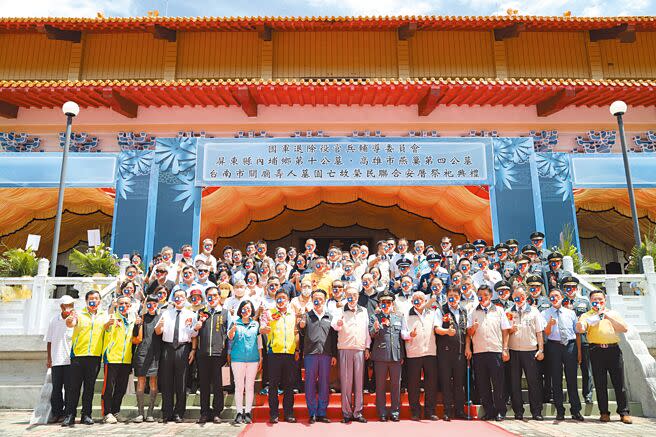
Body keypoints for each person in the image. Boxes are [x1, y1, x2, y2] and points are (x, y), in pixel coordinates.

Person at [576, 290, 632, 424]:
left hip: (613, 350)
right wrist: (580, 325)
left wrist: (607, 317)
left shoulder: (612, 313)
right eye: (594, 300)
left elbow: (624, 328)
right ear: (590, 301)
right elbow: (581, 328)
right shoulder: (586, 315)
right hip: (596, 350)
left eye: (600, 300)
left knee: (619, 383)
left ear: (604, 300)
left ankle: (624, 412)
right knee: (600, 383)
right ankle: (604, 412)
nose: (598, 302)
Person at [465, 284, 510, 421]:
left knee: (498, 383)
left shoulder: (499, 310)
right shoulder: (473, 312)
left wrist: (505, 349)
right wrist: (474, 328)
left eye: (486, 295)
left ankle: (500, 411)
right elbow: (468, 333)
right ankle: (489, 411)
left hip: (495, 351)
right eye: (480, 295)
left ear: (490, 296)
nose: (483, 298)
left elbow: (505, 331)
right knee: (483, 384)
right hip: (479, 352)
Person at [62, 290, 107, 427]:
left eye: (96, 298)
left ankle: (86, 415)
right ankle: (70, 415)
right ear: (86, 301)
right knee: (74, 387)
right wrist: (69, 320)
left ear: (100, 301)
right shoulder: (79, 314)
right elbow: (71, 323)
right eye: (91, 299)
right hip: (78, 355)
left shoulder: (103, 315)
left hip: (94, 356)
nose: (94, 301)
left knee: (90, 387)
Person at [155, 289, 199, 423]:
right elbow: (157, 332)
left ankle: (179, 412)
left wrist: (193, 350)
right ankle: (167, 412)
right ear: (173, 299)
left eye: (181, 296)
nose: (179, 299)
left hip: (183, 348)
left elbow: (194, 335)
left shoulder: (191, 314)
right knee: (166, 381)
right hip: (168, 348)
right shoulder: (166, 313)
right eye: (176, 297)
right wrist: (159, 327)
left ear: (186, 299)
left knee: (182, 382)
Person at [542, 288, 584, 421]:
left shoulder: (570, 313)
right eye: (551, 297)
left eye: (556, 296)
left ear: (561, 297)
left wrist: (578, 352)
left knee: (571, 379)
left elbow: (577, 333)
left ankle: (576, 410)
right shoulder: (545, 313)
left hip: (570, 346)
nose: (554, 298)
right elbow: (546, 333)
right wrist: (550, 323)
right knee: (556, 379)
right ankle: (560, 410)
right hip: (553, 346)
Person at [370, 290, 410, 422]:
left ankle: (395, 411)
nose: (386, 305)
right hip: (380, 356)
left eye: (388, 302)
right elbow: (371, 335)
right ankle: (381, 412)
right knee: (380, 386)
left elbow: (402, 336)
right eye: (383, 302)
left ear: (392, 304)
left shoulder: (399, 317)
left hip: (396, 355)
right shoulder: (374, 317)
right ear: (379, 304)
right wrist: (376, 328)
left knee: (395, 386)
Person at [331, 286, 370, 423]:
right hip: (345, 348)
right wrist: (338, 323)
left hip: (359, 348)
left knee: (359, 382)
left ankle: (358, 412)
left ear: (358, 297)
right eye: (349, 295)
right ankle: (346, 413)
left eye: (354, 295)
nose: (352, 297)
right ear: (345, 296)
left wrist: (367, 347)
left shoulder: (364, 311)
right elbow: (334, 325)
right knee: (346, 382)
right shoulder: (340, 310)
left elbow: (366, 330)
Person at [260, 289, 299, 424]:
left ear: (288, 300)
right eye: (279, 298)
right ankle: (274, 414)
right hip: (274, 353)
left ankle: (289, 413)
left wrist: (297, 349)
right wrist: (265, 328)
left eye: (283, 298)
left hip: (289, 353)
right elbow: (262, 328)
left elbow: (296, 332)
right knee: (273, 385)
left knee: (289, 385)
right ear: (275, 300)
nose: (281, 300)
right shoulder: (269, 313)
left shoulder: (292, 314)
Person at [298, 289, 337, 423]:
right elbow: (301, 331)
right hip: (310, 354)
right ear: (312, 299)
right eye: (315, 298)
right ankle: (312, 412)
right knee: (310, 383)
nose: (318, 301)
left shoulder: (330, 317)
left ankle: (322, 412)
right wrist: (301, 325)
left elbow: (334, 337)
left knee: (324, 383)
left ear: (325, 300)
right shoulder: (306, 316)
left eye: (320, 298)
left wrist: (334, 355)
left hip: (326, 354)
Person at [506, 286, 545, 421]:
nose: (519, 300)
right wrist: (511, 330)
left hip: (530, 351)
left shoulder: (534, 312)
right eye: (516, 297)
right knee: (514, 383)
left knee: (533, 382)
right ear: (512, 298)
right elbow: (505, 332)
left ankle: (536, 411)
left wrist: (541, 349)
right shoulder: (509, 312)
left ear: (526, 297)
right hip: (514, 351)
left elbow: (539, 332)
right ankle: (518, 411)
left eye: (522, 297)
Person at [194, 286, 229, 424]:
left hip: (218, 354)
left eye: (215, 295)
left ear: (219, 297)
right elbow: (194, 334)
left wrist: (228, 353)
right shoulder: (201, 312)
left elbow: (229, 334)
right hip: (203, 354)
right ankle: (204, 413)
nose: (212, 298)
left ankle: (217, 412)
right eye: (209, 295)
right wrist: (196, 327)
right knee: (204, 385)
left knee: (218, 385)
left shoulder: (225, 313)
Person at [101, 295, 138, 424]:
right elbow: (105, 329)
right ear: (117, 304)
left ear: (130, 306)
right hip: (111, 359)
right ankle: (107, 413)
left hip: (126, 360)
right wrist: (107, 324)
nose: (124, 306)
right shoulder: (112, 317)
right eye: (121, 303)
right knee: (108, 388)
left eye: (127, 304)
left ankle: (116, 411)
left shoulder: (132, 320)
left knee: (121, 388)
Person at [404, 291, 438, 421]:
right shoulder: (406, 314)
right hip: (414, 353)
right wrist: (409, 335)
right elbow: (403, 332)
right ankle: (415, 411)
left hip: (430, 352)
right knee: (413, 384)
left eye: (421, 299)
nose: (418, 301)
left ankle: (430, 411)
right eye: (415, 299)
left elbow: (437, 328)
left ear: (425, 301)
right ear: (412, 301)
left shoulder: (432, 313)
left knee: (431, 383)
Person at [435, 287, 468, 421]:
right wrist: (446, 332)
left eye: (455, 295)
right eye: (450, 295)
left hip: (460, 352)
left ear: (460, 296)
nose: (453, 297)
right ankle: (447, 411)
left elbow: (466, 331)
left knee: (459, 383)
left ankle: (460, 410)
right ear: (447, 296)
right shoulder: (441, 310)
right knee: (446, 383)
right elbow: (437, 329)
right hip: (445, 353)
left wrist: (468, 348)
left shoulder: (464, 310)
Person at [561, 276, 594, 404]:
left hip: (584, 339)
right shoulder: (560, 302)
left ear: (577, 288)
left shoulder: (584, 302)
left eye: (572, 287)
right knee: (570, 370)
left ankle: (588, 394)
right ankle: (572, 396)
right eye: (567, 288)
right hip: (568, 341)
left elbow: (591, 318)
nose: (570, 290)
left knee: (586, 368)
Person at [229, 300, 263, 424]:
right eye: (244, 308)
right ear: (240, 310)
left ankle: (248, 412)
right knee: (239, 387)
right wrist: (232, 329)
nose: (246, 311)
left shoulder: (255, 324)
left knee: (250, 386)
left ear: (252, 310)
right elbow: (230, 337)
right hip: (237, 359)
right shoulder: (235, 322)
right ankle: (239, 412)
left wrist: (261, 357)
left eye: (248, 309)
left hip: (253, 359)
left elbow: (259, 342)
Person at [132, 294, 162, 423]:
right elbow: (134, 337)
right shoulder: (141, 318)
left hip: (155, 354)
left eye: (154, 304)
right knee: (141, 381)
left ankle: (150, 412)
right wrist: (136, 324)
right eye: (149, 303)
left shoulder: (161, 318)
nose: (152, 306)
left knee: (153, 382)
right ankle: (140, 413)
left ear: (158, 304)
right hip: (142, 353)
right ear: (145, 304)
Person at [45, 295, 74, 424]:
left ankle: (68, 413)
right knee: (56, 388)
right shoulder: (54, 320)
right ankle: (57, 412)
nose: (68, 308)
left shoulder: (75, 321)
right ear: (61, 307)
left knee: (69, 388)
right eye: (66, 305)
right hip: (56, 359)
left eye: (71, 305)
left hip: (70, 360)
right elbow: (49, 340)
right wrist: (49, 357)